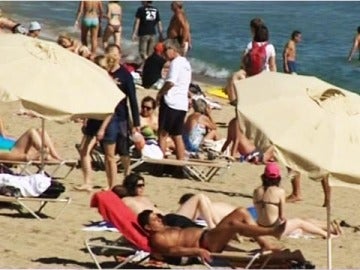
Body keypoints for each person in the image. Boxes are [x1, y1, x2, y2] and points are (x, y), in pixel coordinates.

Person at [137, 209, 286, 263]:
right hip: (206, 244)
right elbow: (172, 251)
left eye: (158, 216)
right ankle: (272, 232)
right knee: (234, 224)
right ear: (148, 227)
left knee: (241, 212)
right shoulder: (157, 238)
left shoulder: (167, 227)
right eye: (155, 219)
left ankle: (265, 244)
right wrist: (197, 251)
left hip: (208, 235)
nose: (159, 219)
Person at [253, 162, 342, 239]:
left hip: (260, 227)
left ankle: (330, 227)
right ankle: (327, 234)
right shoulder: (279, 192)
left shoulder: (256, 191)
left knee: (302, 221)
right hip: (274, 228)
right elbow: (282, 216)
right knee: (300, 222)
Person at [96, 44, 140, 188]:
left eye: (116, 54)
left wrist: (136, 123)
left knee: (123, 150)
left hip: (121, 117)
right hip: (106, 116)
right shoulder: (102, 71)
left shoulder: (125, 75)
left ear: (120, 57)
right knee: (109, 154)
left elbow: (132, 99)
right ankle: (112, 184)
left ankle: (127, 171)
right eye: (110, 54)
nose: (113, 57)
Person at [115, 173, 226, 228]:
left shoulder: (144, 198)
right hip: (166, 223)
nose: (142, 188)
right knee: (200, 197)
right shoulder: (127, 201)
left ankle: (219, 225)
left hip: (171, 217)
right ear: (131, 186)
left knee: (202, 198)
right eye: (139, 186)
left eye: (143, 185)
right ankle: (213, 227)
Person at [74, 55, 108, 192]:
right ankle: (87, 180)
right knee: (83, 150)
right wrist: (85, 117)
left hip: (101, 120)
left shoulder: (105, 84)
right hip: (94, 118)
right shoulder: (95, 83)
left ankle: (90, 181)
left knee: (87, 151)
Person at [156, 39, 191, 160]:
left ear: (173, 49)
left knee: (162, 134)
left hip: (171, 102)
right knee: (177, 135)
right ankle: (180, 165)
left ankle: (160, 163)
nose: (164, 54)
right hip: (182, 103)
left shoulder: (176, 63)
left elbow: (171, 82)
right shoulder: (186, 63)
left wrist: (160, 94)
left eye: (165, 50)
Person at [225, 18, 264, 105]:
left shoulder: (251, 45)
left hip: (252, 74)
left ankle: (234, 101)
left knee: (232, 77)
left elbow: (243, 60)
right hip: (264, 74)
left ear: (252, 29)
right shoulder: (268, 45)